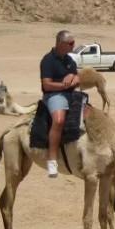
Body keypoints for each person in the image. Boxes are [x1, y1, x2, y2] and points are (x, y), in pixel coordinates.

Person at [40, 31, 81, 177]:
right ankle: (52, 160)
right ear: (60, 43)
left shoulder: (70, 60)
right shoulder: (48, 60)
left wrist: (73, 77)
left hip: (72, 94)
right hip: (55, 95)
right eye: (70, 43)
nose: (73, 45)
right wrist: (63, 86)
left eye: (73, 43)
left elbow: (77, 77)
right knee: (59, 120)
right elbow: (46, 85)